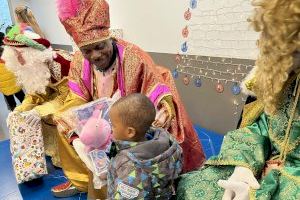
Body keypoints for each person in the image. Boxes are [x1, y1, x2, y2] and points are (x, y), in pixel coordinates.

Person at [52, 0, 205, 198]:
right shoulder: (80, 60)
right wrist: (78, 127)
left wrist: (162, 109)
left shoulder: (134, 56)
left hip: (129, 120)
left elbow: (155, 88)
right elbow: (77, 98)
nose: (95, 56)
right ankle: (84, 180)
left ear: (109, 39)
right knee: (65, 123)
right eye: (87, 51)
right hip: (99, 120)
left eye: (99, 47)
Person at [176, 0, 300, 199]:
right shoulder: (279, 74)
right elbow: (259, 126)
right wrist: (244, 166)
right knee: (191, 187)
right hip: (262, 162)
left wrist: (268, 185)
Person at [2, 23, 72, 167]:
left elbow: (69, 98)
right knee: (29, 114)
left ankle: (67, 158)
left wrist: (39, 111)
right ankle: (52, 152)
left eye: (19, 55)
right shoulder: (34, 66)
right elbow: (35, 94)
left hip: (75, 101)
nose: (19, 61)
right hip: (58, 98)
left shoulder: (61, 64)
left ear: (32, 52)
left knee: (49, 116)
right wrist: (20, 110)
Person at [107, 93, 182, 199]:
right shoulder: (167, 144)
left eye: (113, 125)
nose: (111, 129)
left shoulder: (130, 168)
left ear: (130, 132)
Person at [0, 31, 25, 111]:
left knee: (9, 99)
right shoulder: (9, 48)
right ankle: (26, 108)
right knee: (21, 96)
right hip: (14, 77)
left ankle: (13, 112)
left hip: (3, 82)